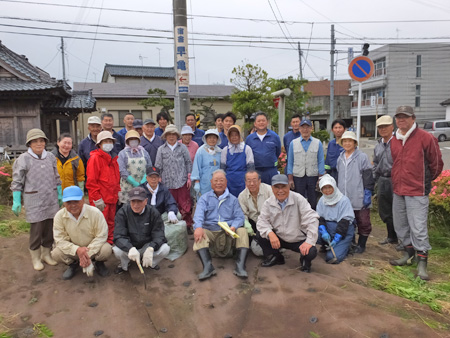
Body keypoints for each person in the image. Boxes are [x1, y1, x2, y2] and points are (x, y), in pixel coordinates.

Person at [389, 106, 443, 280]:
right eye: (398, 117)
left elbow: (436, 165)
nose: (401, 120)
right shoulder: (394, 139)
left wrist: (424, 182)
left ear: (413, 118)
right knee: (400, 225)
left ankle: (422, 263)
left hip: (417, 191)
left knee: (418, 228)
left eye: (405, 117)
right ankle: (408, 254)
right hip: (398, 190)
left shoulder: (426, 138)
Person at [11, 128, 62, 271]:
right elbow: (17, 181)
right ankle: (35, 257)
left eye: (41, 141)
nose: (39, 144)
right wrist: (16, 200)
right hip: (33, 199)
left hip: (50, 198)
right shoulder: (24, 159)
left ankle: (46, 254)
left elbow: (56, 177)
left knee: (49, 228)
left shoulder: (51, 157)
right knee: (36, 230)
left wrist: (59, 194)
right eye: (35, 141)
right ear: (29, 144)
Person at [193, 170, 249, 280]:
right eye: (216, 180)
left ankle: (240, 266)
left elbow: (239, 217)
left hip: (228, 232)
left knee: (242, 231)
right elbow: (198, 215)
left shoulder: (233, 199)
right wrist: (198, 227)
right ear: (211, 182)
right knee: (200, 233)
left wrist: (233, 227)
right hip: (211, 231)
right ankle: (208, 267)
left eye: (221, 180)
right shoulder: (204, 198)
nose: (219, 183)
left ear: (226, 182)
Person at [256, 174, 319, 272]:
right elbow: (261, 221)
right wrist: (270, 233)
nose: (280, 191)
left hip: (298, 239)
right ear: (272, 188)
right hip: (279, 237)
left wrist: (309, 242)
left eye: (283, 187)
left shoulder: (299, 199)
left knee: (311, 251)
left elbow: (312, 219)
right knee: (261, 233)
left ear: (289, 186)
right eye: (277, 187)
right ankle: (276, 257)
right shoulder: (268, 203)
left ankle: (305, 260)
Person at [52, 186, 112, 279]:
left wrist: (87, 253)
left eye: (76, 201)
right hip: (74, 252)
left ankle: (98, 263)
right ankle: (73, 264)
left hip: (93, 250)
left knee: (106, 249)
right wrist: (77, 250)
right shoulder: (59, 216)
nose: (73, 205)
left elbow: (102, 236)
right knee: (56, 253)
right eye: (69, 202)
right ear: (64, 203)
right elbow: (60, 240)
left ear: (83, 200)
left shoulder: (95, 213)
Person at [113, 187, 170, 274]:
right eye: (133, 201)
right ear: (129, 201)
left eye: (139, 201)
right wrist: (130, 248)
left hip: (146, 246)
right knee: (116, 250)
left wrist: (151, 247)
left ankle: (151, 263)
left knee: (165, 248)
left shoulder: (153, 213)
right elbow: (118, 236)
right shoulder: (122, 212)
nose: (136, 205)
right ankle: (124, 265)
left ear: (146, 201)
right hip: (130, 246)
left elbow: (159, 234)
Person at [336, 131, 374, 254]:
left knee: (363, 221)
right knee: (348, 221)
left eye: (350, 141)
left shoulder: (362, 157)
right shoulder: (340, 157)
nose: (347, 143)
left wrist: (368, 191)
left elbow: (368, 175)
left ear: (354, 143)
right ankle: (350, 243)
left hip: (358, 195)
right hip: (344, 196)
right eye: (345, 141)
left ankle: (361, 244)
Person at [141, 167, 187, 261]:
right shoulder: (141, 190)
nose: (153, 179)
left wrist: (171, 212)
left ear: (159, 178)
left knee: (177, 215)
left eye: (156, 177)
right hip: (145, 217)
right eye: (151, 177)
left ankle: (173, 246)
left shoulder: (163, 189)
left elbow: (171, 202)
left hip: (160, 215)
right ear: (146, 178)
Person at [155, 124, 194, 231]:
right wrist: (159, 179)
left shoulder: (183, 148)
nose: (171, 137)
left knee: (185, 205)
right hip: (167, 182)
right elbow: (158, 166)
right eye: (169, 135)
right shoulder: (161, 149)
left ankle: (187, 225)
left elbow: (188, 163)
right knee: (170, 205)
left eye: (173, 134)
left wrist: (189, 177)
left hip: (182, 181)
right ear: (165, 136)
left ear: (177, 136)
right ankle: (172, 227)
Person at [86, 131, 120, 245]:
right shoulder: (95, 158)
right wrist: (96, 198)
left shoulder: (113, 159)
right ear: (99, 144)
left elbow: (116, 179)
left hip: (112, 198)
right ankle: (98, 250)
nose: (108, 143)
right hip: (101, 200)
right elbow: (91, 181)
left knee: (111, 223)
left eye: (110, 141)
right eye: (105, 141)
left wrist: (118, 192)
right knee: (99, 226)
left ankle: (109, 244)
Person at [286, 118, 325, 210]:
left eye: (307, 127)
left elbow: (320, 161)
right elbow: (290, 161)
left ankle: (312, 220)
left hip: (313, 175)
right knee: (298, 200)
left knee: (313, 200)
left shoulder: (317, 143)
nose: (305, 130)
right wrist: (290, 179)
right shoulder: (293, 143)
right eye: (303, 127)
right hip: (298, 176)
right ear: (299, 129)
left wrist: (320, 178)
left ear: (311, 129)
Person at [316, 174, 355, 264]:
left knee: (332, 258)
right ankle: (326, 244)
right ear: (321, 189)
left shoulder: (343, 200)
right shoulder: (322, 200)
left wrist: (337, 237)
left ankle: (346, 246)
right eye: (324, 188)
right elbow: (320, 218)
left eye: (330, 187)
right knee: (313, 233)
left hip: (342, 231)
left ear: (334, 186)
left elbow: (345, 221)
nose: (327, 190)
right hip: (328, 229)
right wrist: (323, 231)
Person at [372, 115, 398, 247]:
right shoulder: (378, 146)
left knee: (398, 209)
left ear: (392, 127)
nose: (383, 129)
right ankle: (391, 236)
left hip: (396, 180)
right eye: (380, 127)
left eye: (385, 126)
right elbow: (375, 163)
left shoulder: (398, 142)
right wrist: (374, 179)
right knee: (385, 208)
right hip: (382, 179)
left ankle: (402, 239)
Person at [238, 170, 273, 256]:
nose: (252, 184)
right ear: (245, 182)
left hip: (270, 223)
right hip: (254, 225)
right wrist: (247, 225)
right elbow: (243, 214)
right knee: (257, 250)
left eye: (254, 180)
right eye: (249, 181)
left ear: (259, 181)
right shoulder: (242, 196)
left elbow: (276, 210)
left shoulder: (269, 190)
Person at [245, 111, 281, 185]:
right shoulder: (249, 138)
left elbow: (278, 151)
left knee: (272, 192)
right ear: (255, 123)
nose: (261, 122)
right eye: (259, 121)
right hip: (256, 170)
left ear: (267, 122)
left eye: (263, 120)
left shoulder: (274, 136)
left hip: (271, 170)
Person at [117, 130, 152, 205]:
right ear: (127, 141)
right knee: (128, 207)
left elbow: (149, 167)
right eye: (131, 139)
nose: (133, 141)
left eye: (135, 139)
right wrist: (133, 182)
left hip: (143, 185)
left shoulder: (144, 152)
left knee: (141, 205)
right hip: (128, 186)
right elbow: (122, 170)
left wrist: (144, 179)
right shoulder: (122, 153)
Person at [220, 125, 255, 197]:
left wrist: (249, 182)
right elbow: (222, 169)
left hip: (242, 180)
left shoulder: (247, 149)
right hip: (229, 181)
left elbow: (250, 167)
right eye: (232, 135)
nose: (234, 137)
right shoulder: (225, 150)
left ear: (240, 135)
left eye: (236, 135)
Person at [191, 129, 222, 196]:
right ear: (206, 139)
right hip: (204, 183)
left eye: (214, 138)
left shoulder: (219, 152)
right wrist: (197, 182)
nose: (212, 140)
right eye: (209, 138)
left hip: (217, 183)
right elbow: (196, 166)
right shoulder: (200, 151)